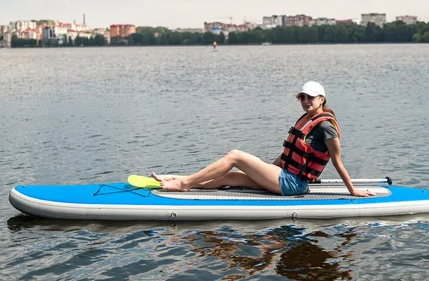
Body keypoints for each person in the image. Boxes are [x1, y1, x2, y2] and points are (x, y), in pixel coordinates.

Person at [152, 81, 375, 197]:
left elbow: (337, 162)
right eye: (302, 97)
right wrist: (267, 170)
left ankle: (183, 184)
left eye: (310, 98)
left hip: (293, 184)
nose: (305, 101)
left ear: (322, 99)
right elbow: (286, 155)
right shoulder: (307, 120)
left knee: (235, 156)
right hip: (284, 177)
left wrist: (352, 190)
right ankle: (175, 179)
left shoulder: (326, 127)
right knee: (231, 177)